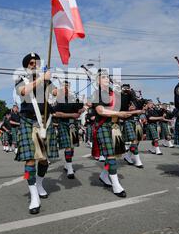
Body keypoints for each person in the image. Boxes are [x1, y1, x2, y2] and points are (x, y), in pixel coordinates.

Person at [15, 52, 58, 214]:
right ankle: (34, 196)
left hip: (44, 123)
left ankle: (39, 183)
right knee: (30, 160)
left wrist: (58, 91)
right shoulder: (21, 80)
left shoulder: (46, 81)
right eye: (32, 63)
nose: (35, 65)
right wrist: (41, 79)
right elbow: (23, 92)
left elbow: (56, 94)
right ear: (27, 66)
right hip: (28, 121)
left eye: (37, 63)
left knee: (45, 161)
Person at [92, 69, 132, 197]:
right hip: (103, 126)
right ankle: (116, 185)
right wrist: (118, 113)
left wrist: (127, 93)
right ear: (97, 80)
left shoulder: (114, 93)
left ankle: (104, 175)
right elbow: (100, 111)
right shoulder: (96, 93)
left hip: (115, 126)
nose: (106, 79)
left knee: (114, 155)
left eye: (107, 77)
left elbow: (125, 106)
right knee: (110, 156)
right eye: (103, 77)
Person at [53, 81, 84, 179]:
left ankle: (67, 164)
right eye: (64, 87)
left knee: (72, 146)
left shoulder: (72, 99)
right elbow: (57, 113)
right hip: (63, 123)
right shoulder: (58, 99)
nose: (66, 89)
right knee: (68, 146)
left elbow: (78, 109)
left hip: (72, 124)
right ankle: (70, 170)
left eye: (68, 86)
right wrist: (72, 115)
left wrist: (82, 109)